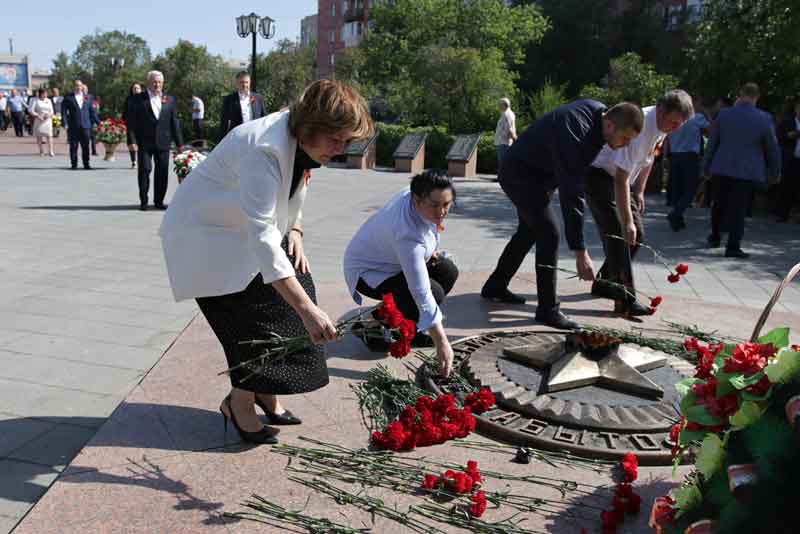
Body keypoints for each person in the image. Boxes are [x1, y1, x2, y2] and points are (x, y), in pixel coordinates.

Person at [159, 80, 373, 445]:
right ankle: (238, 404)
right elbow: (261, 233)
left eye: (346, 142)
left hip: (239, 231)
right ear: (312, 127)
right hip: (206, 239)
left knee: (297, 288)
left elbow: (298, 183)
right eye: (336, 140)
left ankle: (265, 394)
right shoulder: (265, 149)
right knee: (255, 324)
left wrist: (297, 231)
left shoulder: (302, 139)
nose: (340, 150)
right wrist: (307, 311)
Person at [481, 99, 644, 330]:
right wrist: (580, 251)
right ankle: (547, 310)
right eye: (625, 138)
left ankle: (495, 286)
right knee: (549, 234)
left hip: (534, 174)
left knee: (529, 231)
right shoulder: (578, 134)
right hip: (519, 174)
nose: (626, 145)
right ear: (609, 125)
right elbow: (572, 194)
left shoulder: (598, 116)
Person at [586, 90, 693, 316]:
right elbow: (620, 177)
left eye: (679, 125)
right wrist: (627, 221)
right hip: (600, 177)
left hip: (621, 181)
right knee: (621, 235)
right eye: (673, 122)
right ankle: (625, 301)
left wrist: (641, 191)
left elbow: (649, 159)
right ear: (661, 110)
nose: (675, 128)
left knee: (637, 237)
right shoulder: (641, 127)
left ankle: (605, 283)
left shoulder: (661, 126)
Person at [344, 170, 458, 377]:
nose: (441, 211)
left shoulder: (414, 194)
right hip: (370, 272)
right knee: (433, 293)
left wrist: (430, 249)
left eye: (446, 204)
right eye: (435, 205)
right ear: (417, 199)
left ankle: (392, 320)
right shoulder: (407, 234)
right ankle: (368, 324)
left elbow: (429, 229)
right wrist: (441, 342)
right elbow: (420, 291)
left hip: (394, 260)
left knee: (448, 272)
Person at [703, 83, 781, 258]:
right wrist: (775, 171)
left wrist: (706, 166)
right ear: (757, 97)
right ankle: (733, 246)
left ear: (740, 95)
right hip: (747, 171)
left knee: (719, 204)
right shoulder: (764, 118)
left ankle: (714, 237)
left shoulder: (724, 115)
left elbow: (713, 143)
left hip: (722, 167)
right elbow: (772, 148)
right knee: (739, 209)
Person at [127, 71, 184, 211]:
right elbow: (131, 122)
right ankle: (144, 201)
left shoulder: (169, 99)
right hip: (144, 142)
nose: (157, 84)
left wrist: (180, 144)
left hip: (163, 142)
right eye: (154, 82)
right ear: (148, 82)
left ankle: (159, 201)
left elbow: (174, 122)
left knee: (162, 172)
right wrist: (131, 140)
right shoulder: (137, 99)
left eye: (159, 82)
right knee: (145, 170)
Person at [665, 99, 712, 230]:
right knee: (691, 189)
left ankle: (678, 218)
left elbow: (667, 137)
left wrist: (665, 156)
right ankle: (676, 213)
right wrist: (706, 113)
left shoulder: (674, 118)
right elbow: (711, 130)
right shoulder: (697, 118)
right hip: (690, 156)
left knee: (677, 188)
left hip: (675, 155)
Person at [61, 79, 99, 170]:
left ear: (82, 87)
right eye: (76, 85)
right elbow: (63, 112)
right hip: (73, 125)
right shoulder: (68, 97)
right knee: (73, 146)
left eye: (80, 85)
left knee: (86, 146)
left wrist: (99, 123)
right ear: (74, 86)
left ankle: (86, 164)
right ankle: (74, 164)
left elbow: (92, 112)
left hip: (86, 125)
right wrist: (65, 123)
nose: (78, 87)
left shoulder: (89, 97)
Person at [219, 71, 266, 138]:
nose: (244, 85)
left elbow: (263, 118)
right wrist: (222, 140)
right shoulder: (229, 99)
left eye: (246, 82)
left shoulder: (258, 98)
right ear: (236, 84)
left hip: (255, 136)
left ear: (250, 83)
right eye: (241, 82)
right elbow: (224, 122)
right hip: (237, 137)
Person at [776, 100, 800, 222]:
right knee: (786, 187)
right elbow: (778, 137)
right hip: (790, 159)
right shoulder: (787, 122)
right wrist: (790, 135)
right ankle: (782, 214)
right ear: (796, 109)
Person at [28, 88, 55, 157]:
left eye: (46, 93)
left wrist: (49, 115)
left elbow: (52, 110)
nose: (46, 95)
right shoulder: (35, 100)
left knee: (49, 136)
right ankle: (41, 150)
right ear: (41, 94)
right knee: (39, 136)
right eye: (44, 93)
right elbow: (31, 110)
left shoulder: (48, 100)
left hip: (47, 120)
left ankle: (50, 150)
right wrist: (38, 115)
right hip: (39, 119)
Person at [123, 83, 142, 169]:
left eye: (138, 88)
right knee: (132, 145)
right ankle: (133, 161)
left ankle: (141, 161)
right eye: (134, 88)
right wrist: (124, 121)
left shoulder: (144, 99)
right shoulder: (128, 99)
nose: (136, 89)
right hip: (130, 125)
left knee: (140, 145)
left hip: (141, 125)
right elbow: (125, 111)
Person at [494, 97, 517, 167]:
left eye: (500, 104)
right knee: (503, 164)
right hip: (503, 143)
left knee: (503, 164)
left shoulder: (507, 114)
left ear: (504, 105)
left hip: (504, 143)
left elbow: (509, 129)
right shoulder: (506, 114)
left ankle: (503, 178)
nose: (498, 106)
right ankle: (502, 177)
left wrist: (516, 140)